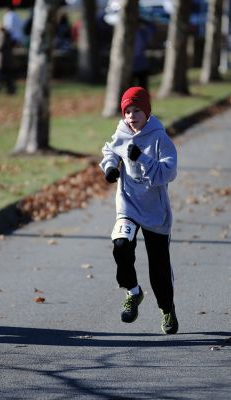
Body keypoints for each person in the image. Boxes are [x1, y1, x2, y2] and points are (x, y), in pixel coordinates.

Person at [99, 86, 178, 334]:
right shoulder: (122, 132)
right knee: (121, 245)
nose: (131, 116)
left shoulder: (160, 138)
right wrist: (110, 167)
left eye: (137, 110)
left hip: (155, 212)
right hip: (128, 206)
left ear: (147, 112)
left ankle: (167, 309)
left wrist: (142, 158)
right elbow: (110, 150)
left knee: (159, 269)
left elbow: (168, 172)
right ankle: (133, 292)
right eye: (127, 111)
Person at [0, 22, 16, 94]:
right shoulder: (8, 35)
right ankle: (10, 90)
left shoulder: (1, 35)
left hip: (0, 60)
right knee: (8, 76)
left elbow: (0, 47)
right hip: (8, 60)